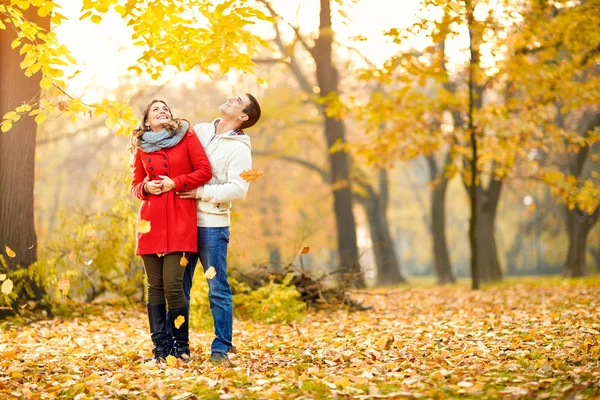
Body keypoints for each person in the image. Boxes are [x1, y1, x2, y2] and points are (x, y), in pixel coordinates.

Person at [176, 93, 261, 365]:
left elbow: (238, 189)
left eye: (238, 100)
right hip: (183, 222)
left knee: (217, 288)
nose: (230, 97)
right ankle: (179, 348)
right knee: (179, 287)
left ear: (243, 116)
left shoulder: (240, 149)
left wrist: (201, 192)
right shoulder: (199, 130)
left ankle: (221, 347)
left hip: (212, 226)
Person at [130, 99, 212, 362]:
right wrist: (145, 188)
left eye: (165, 108)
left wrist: (173, 183)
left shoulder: (185, 136)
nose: (162, 111)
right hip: (150, 221)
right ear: (146, 121)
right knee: (154, 287)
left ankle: (181, 348)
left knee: (174, 286)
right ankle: (160, 350)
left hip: (180, 219)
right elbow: (133, 185)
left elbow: (204, 171)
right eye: (156, 109)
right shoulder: (141, 147)